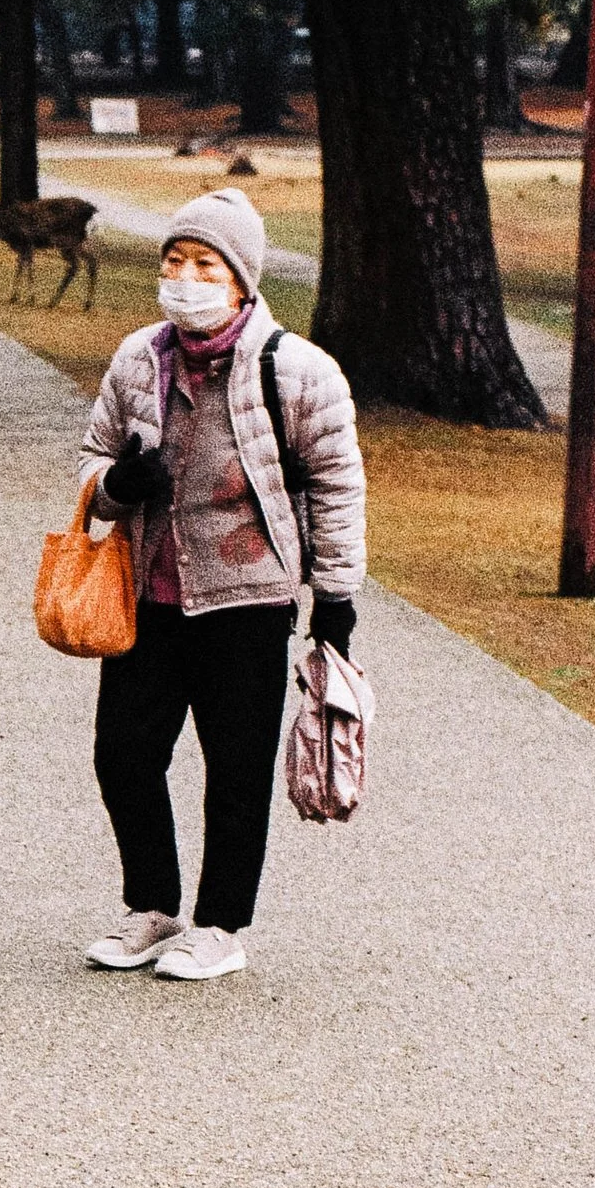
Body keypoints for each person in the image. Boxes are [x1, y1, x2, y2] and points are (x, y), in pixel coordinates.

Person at [75, 186, 365, 983]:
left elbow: (336, 484)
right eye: (176, 260)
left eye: (206, 264)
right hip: (148, 595)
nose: (187, 277)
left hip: (248, 599)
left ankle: (221, 925)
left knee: (235, 770)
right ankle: (153, 907)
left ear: (242, 279)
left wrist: (334, 601)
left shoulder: (298, 370)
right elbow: (92, 454)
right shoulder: (138, 358)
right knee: (123, 755)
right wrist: (115, 486)